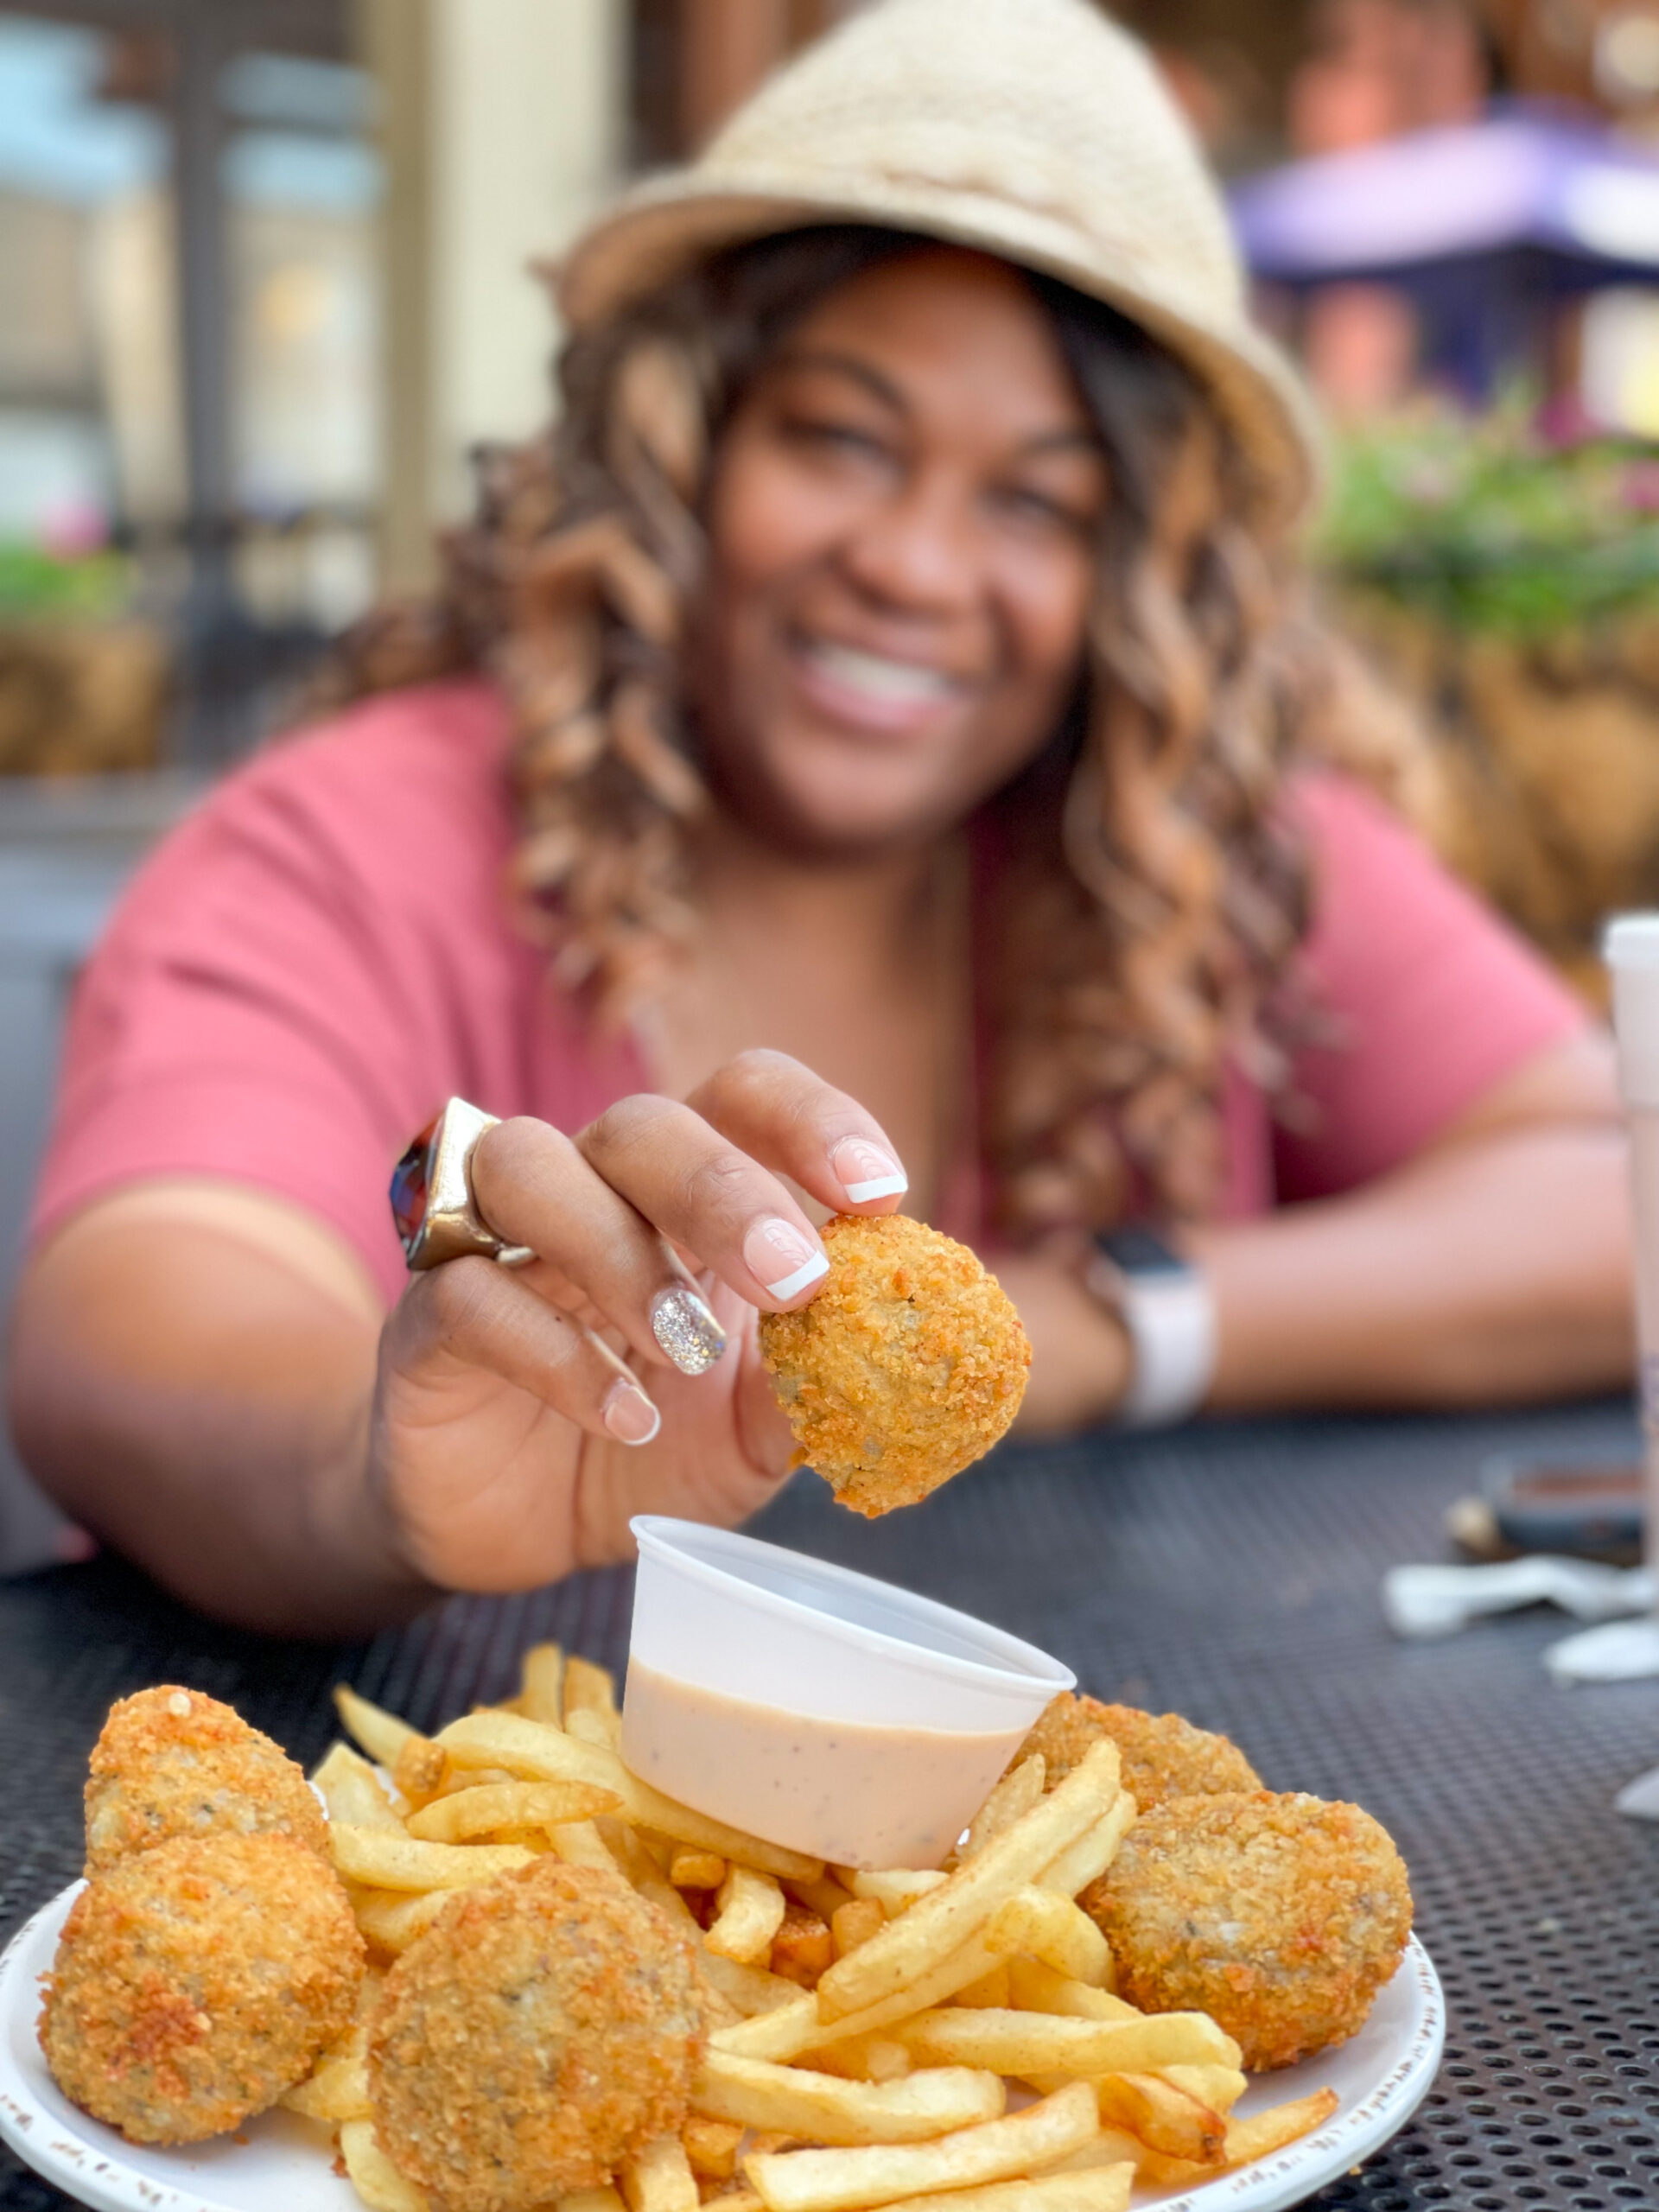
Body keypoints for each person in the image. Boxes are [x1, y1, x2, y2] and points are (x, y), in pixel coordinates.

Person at [5, 0, 1631, 1636]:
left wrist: (1099, 1325)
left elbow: (1615, 1186)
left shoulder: (1198, 844)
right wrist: (368, 1476)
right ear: (678, 450)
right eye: (843, 439)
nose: (917, 568)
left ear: (1129, 575)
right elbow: (136, 1321)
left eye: (1035, 501)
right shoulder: (346, 843)